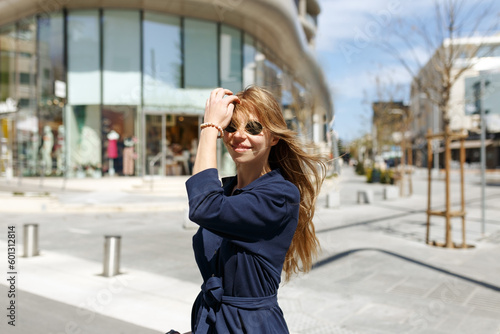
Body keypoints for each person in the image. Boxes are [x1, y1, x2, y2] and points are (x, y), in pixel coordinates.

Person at [181, 86, 326, 333]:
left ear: (274, 137)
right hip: (213, 322)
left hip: (251, 326)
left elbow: (203, 207)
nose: (239, 136)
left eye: (253, 128)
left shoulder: (279, 195)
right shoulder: (226, 193)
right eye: (230, 127)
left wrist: (209, 129)